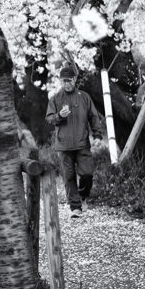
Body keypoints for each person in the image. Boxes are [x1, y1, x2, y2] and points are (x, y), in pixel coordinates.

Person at [45, 67, 102, 218]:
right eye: (64, 81)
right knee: (68, 177)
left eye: (69, 80)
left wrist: (97, 135)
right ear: (60, 81)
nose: (66, 84)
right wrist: (58, 116)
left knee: (87, 174)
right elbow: (49, 118)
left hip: (82, 143)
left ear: (75, 79)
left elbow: (94, 117)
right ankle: (75, 207)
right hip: (64, 145)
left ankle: (83, 197)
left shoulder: (84, 97)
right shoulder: (55, 99)